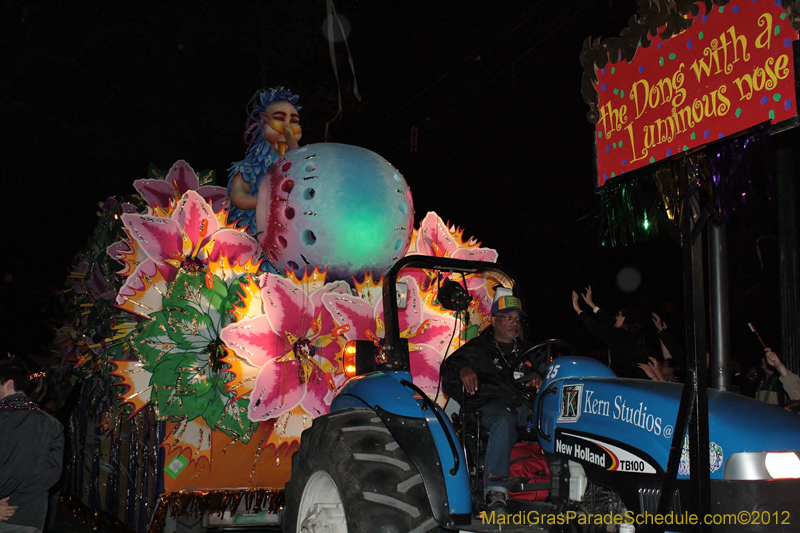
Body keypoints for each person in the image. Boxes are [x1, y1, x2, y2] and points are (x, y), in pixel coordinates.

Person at [441, 296, 545, 515]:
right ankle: (496, 493)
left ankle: (567, 487)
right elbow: (450, 370)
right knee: (503, 420)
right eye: (508, 318)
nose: (514, 323)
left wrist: (540, 378)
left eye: (517, 319)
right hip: (487, 408)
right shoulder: (477, 349)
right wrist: (463, 372)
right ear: (494, 320)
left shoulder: (527, 351)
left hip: (522, 408)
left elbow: (548, 370)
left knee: (556, 421)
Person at [0, 357, 64, 533]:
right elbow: (53, 472)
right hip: (29, 515)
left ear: (9, 384)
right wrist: (17, 500)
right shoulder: (52, 425)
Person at [227, 87, 302, 232]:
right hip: (251, 235)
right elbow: (237, 196)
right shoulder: (248, 168)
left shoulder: (300, 168)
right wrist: (271, 202)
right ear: (263, 122)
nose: (287, 127)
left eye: (294, 121)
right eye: (279, 118)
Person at [571, 286, 649, 378]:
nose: (616, 317)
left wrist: (578, 310)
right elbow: (611, 321)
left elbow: (596, 329)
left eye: (619, 315)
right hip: (632, 378)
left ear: (626, 319)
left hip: (627, 380)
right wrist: (592, 305)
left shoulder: (622, 336)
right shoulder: (632, 333)